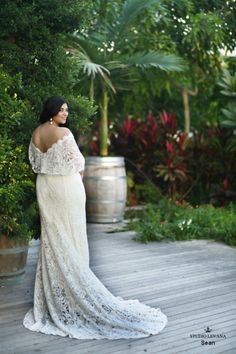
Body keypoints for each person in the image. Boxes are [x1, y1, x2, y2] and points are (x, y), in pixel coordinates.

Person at [23, 96, 167, 339]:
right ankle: (75, 294)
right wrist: (74, 178)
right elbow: (79, 162)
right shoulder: (64, 134)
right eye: (62, 110)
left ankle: (56, 297)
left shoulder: (37, 133)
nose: (65, 114)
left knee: (54, 239)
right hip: (67, 188)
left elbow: (35, 164)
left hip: (46, 188)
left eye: (67, 110)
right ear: (52, 112)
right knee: (72, 236)